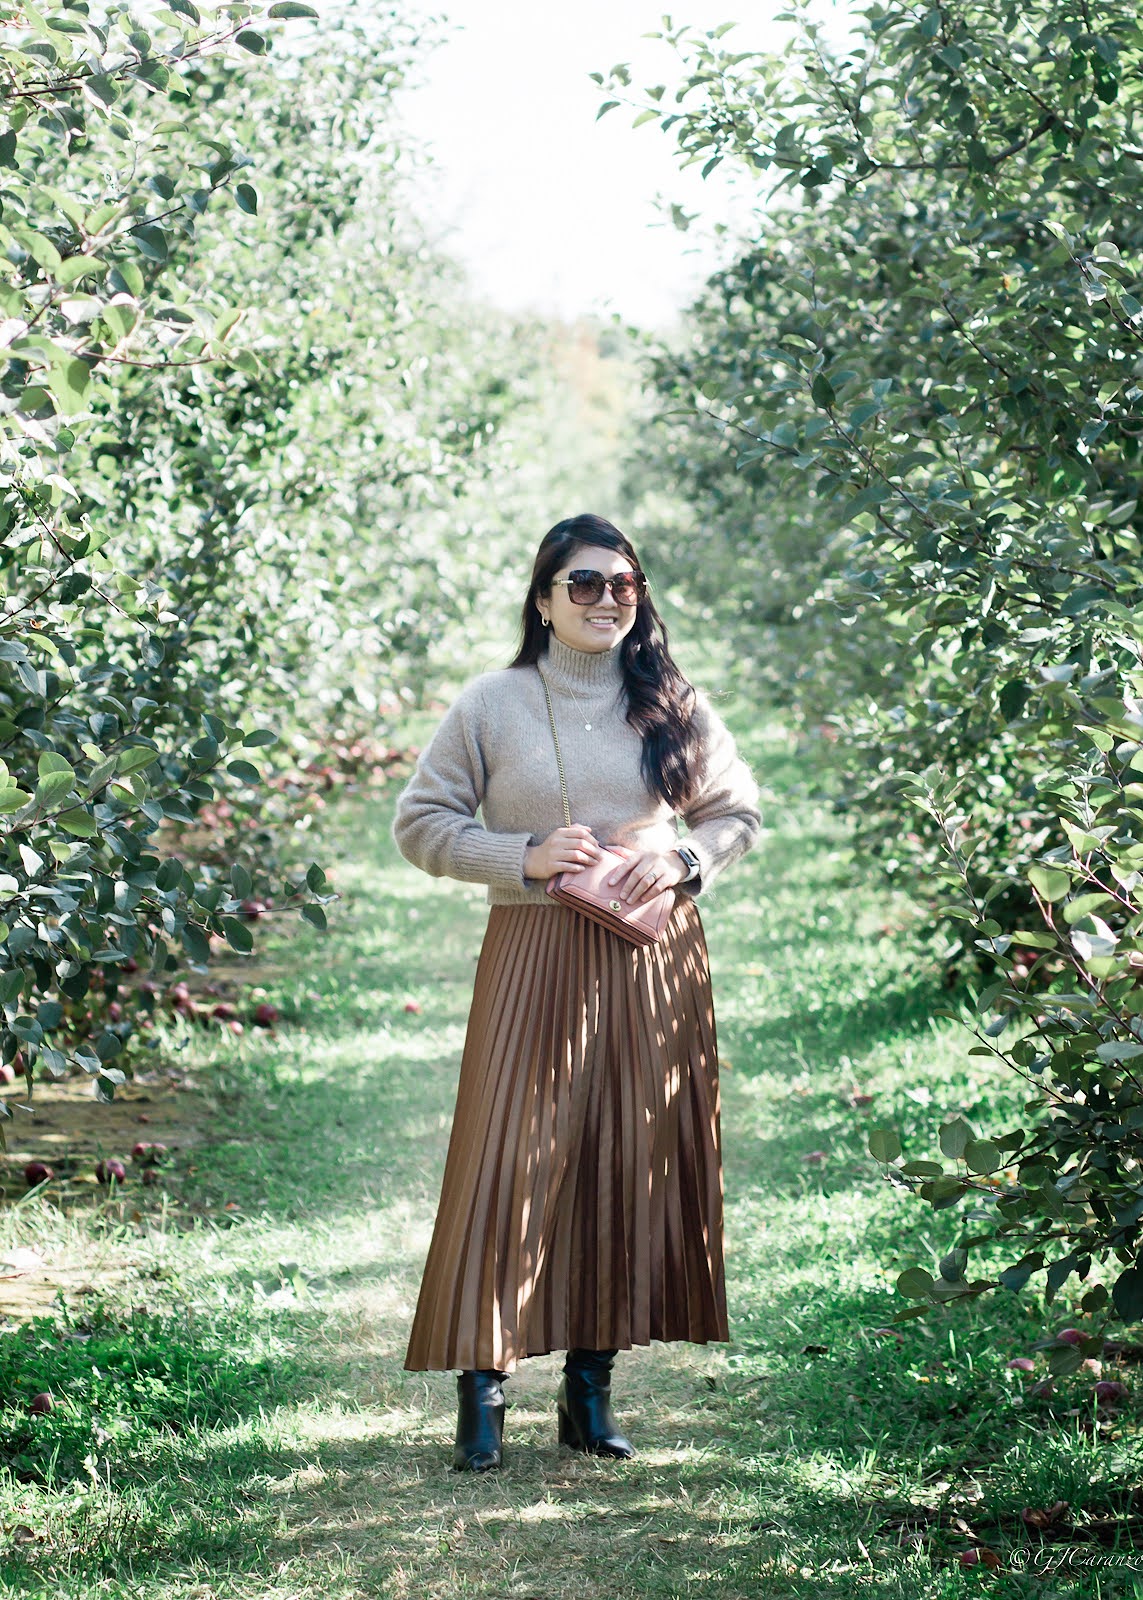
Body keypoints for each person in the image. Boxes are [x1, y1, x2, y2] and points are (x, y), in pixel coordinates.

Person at [393, 513, 761, 1471]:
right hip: (533, 957)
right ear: (544, 599)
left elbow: (735, 813)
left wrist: (684, 856)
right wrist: (517, 856)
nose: (607, 600)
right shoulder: (491, 703)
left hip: (651, 962)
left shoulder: (670, 701)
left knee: (620, 1160)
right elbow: (420, 822)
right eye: (585, 584)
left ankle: (587, 1394)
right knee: (509, 1159)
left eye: (623, 585)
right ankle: (483, 1391)